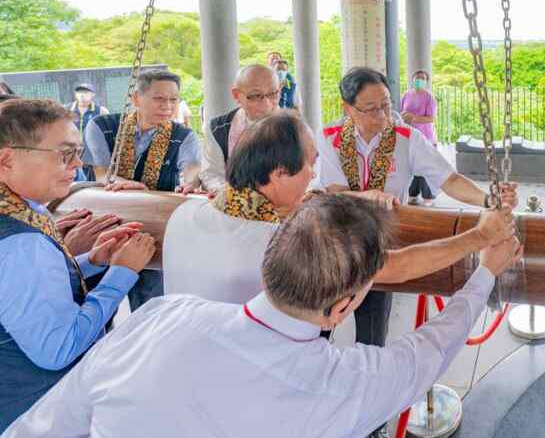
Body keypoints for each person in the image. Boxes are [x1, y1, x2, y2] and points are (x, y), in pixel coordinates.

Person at [3, 193, 521, 438]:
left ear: (270, 265)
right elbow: (430, 350)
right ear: (344, 306)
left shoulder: (162, 316)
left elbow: (44, 427)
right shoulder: (345, 384)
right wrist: (485, 269)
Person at [164, 110, 515, 306]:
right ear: (277, 173)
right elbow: (399, 266)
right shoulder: (288, 244)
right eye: (307, 167)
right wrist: (481, 235)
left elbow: (312, 199)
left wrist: (356, 197)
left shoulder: (184, 215)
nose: (313, 175)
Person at [315, 67, 518, 363]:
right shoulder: (329, 136)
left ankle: (369, 388)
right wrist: (366, 197)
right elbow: (333, 191)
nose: (382, 115)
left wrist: (488, 198)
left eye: (385, 104)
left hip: (381, 246)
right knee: (318, 319)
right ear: (348, 108)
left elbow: (449, 180)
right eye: (370, 109)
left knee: (372, 332)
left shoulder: (405, 138)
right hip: (334, 244)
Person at [0, 99, 155, 430]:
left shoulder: (16, 215)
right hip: (31, 417)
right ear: (7, 159)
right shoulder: (20, 242)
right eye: (64, 153)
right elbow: (58, 348)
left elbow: (17, 291)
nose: (77, 164)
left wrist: (90, 262)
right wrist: (121, 275)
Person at [83, 69, 201, 310]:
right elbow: (102, 174)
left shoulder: (183, 136)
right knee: (96, 306)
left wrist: (191, 183)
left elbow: (191, 169)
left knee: (150, 308)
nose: (167, 106)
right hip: (103, 228)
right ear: (136, 98)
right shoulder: (102, 126)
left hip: (151, 233)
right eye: (159, 98)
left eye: (173, 99)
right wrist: (121, 184)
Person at [196, 64, 280, 195]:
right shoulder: (219, 129)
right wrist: (235, 197)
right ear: (236, 95)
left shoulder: (296, 128)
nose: (267, 103)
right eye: (256, 95)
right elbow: (211, 173)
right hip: (234, 204)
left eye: (273, 94)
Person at [400, 70, 438, 206]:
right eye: (417, 77)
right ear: (412, 79)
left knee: (424, 166)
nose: (419, 80)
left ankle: (429, 196)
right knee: (411, 166)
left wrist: (414, 118)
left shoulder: (429, 97)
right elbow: (401, 112)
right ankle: (413, 193)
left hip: (426, 137)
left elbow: (432, 118)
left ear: (426, 81)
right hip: (409, 136)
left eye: (422, 78)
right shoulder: (406, 95)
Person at [65, 84, 108, 182]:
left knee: (91, 178)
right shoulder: (66, 110)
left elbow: (106, 132)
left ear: (92, 94)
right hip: (71, 151)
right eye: (79, 92)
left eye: (85, 92)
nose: (82, 95)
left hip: (91, 152)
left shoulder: (101, 111)